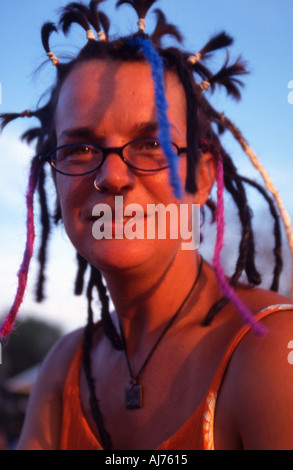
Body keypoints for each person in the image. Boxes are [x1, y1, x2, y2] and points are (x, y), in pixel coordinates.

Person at [1, 0, 293, 450]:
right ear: (53, 180)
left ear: (201, 177)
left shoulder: (269, 351)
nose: (111, 177)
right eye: (78, 149)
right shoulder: (66, 368)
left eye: (150, 143)